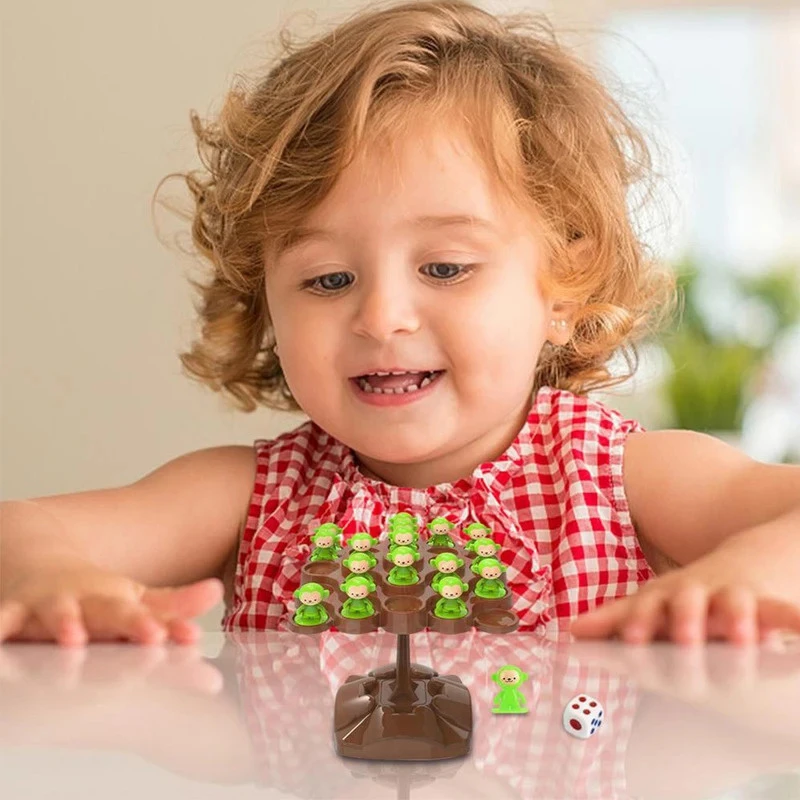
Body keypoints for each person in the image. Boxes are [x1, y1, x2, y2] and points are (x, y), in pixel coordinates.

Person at [2, 0, 799, 648]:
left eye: (446, 268)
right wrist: (51, 582)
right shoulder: (253, 495)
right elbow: (23, 527)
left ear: (562, 287)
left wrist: (741, 579)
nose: (381, 316)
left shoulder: (620, 481)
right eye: (327, 279)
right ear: (266, 303)